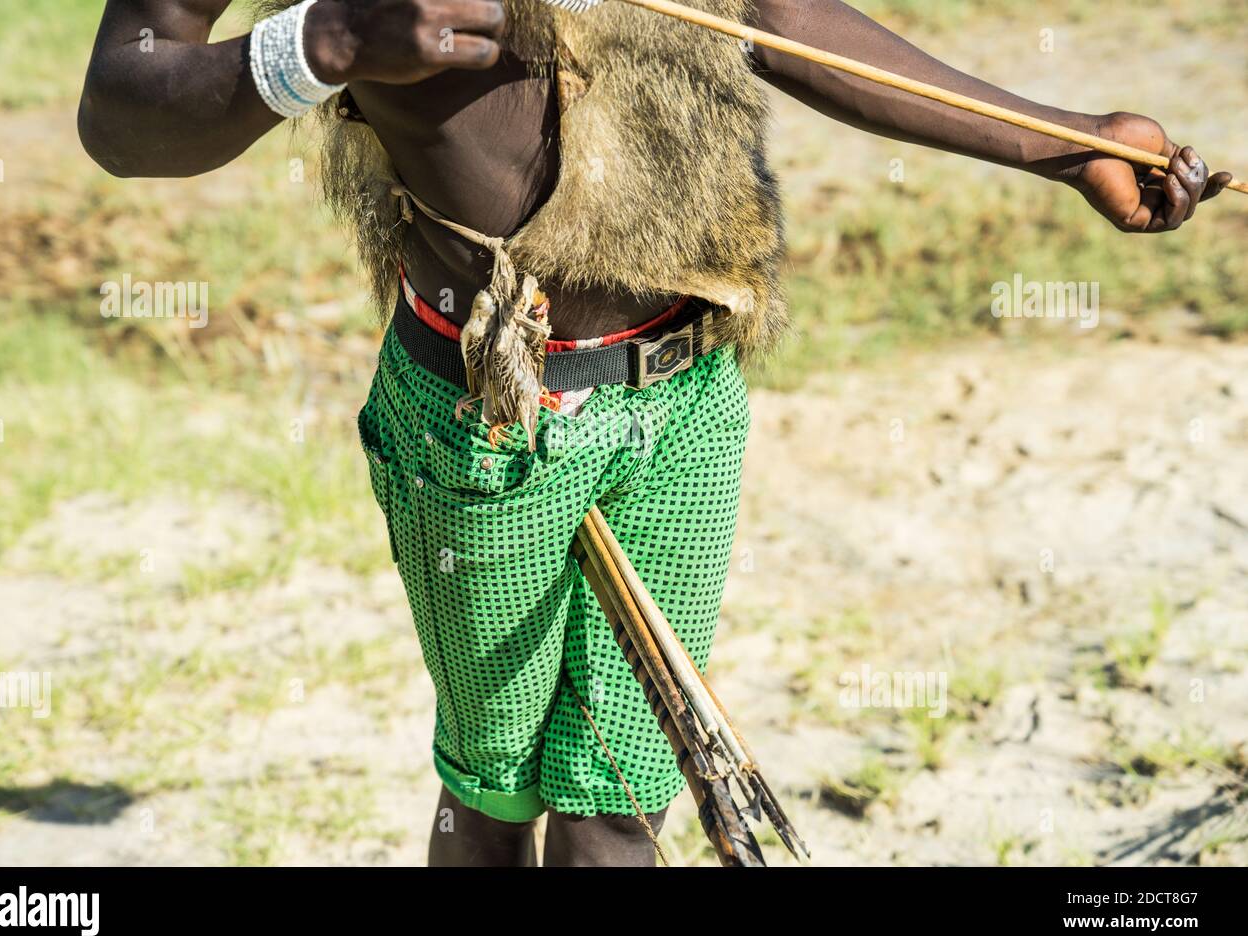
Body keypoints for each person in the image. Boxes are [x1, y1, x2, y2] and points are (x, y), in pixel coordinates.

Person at [78, 0, 1232, 866]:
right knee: (492, 795)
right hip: (490, 423)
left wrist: (1069, 141)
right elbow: (123, 105)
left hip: (683, 394)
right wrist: (326, 41)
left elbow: (776, 19)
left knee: (621, 798)